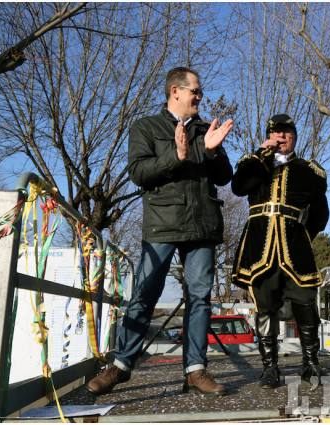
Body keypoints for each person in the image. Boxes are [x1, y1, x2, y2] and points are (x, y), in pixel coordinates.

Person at [87, 67, 234, 396]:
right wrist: (177, 155)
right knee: (144, 294)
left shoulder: (203, 129)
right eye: (195, 90)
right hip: (163, 224)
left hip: (203, 226)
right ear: (175, 91)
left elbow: (225, 177)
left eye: (200, 91)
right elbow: (139, 172)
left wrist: (210, 151)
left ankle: (195, 371)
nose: (200, 96)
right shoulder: (146, 127)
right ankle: (121, 366)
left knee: (199, 298)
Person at [231, 114, 329, 389]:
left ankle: (310, 362)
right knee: (265, 308)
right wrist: (262, 154)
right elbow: (239, 188)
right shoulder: (252, 163)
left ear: (294, 137)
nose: (281, 137)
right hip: (259, 245)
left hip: (295, 246)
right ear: (269, 136)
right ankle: (270, 368)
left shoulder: (309, 169)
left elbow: (321, 212)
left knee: (306, 303)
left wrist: (301, 234)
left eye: (287, 133)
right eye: (276, 133)